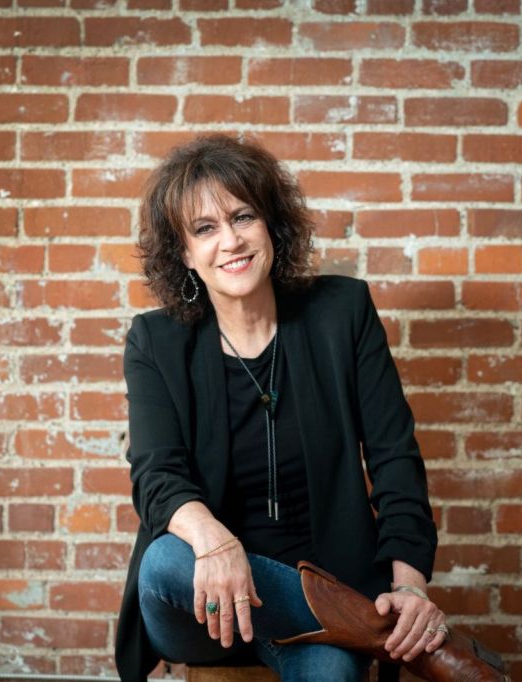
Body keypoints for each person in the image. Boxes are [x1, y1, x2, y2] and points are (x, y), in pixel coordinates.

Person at [114, 134, 455, 682]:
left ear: (270, 223)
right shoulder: (157, 342)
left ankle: (357, 626)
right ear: (184, 253)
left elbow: (395, 460)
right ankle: (381, 633)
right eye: (205, 229)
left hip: (325, 601)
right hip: (202, 608)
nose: (230, 241)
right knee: (166, 560)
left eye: (243, 216)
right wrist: (215, 541)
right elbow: (157, 475)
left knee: (333, 671)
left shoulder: (343, 314)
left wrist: (410, 585)